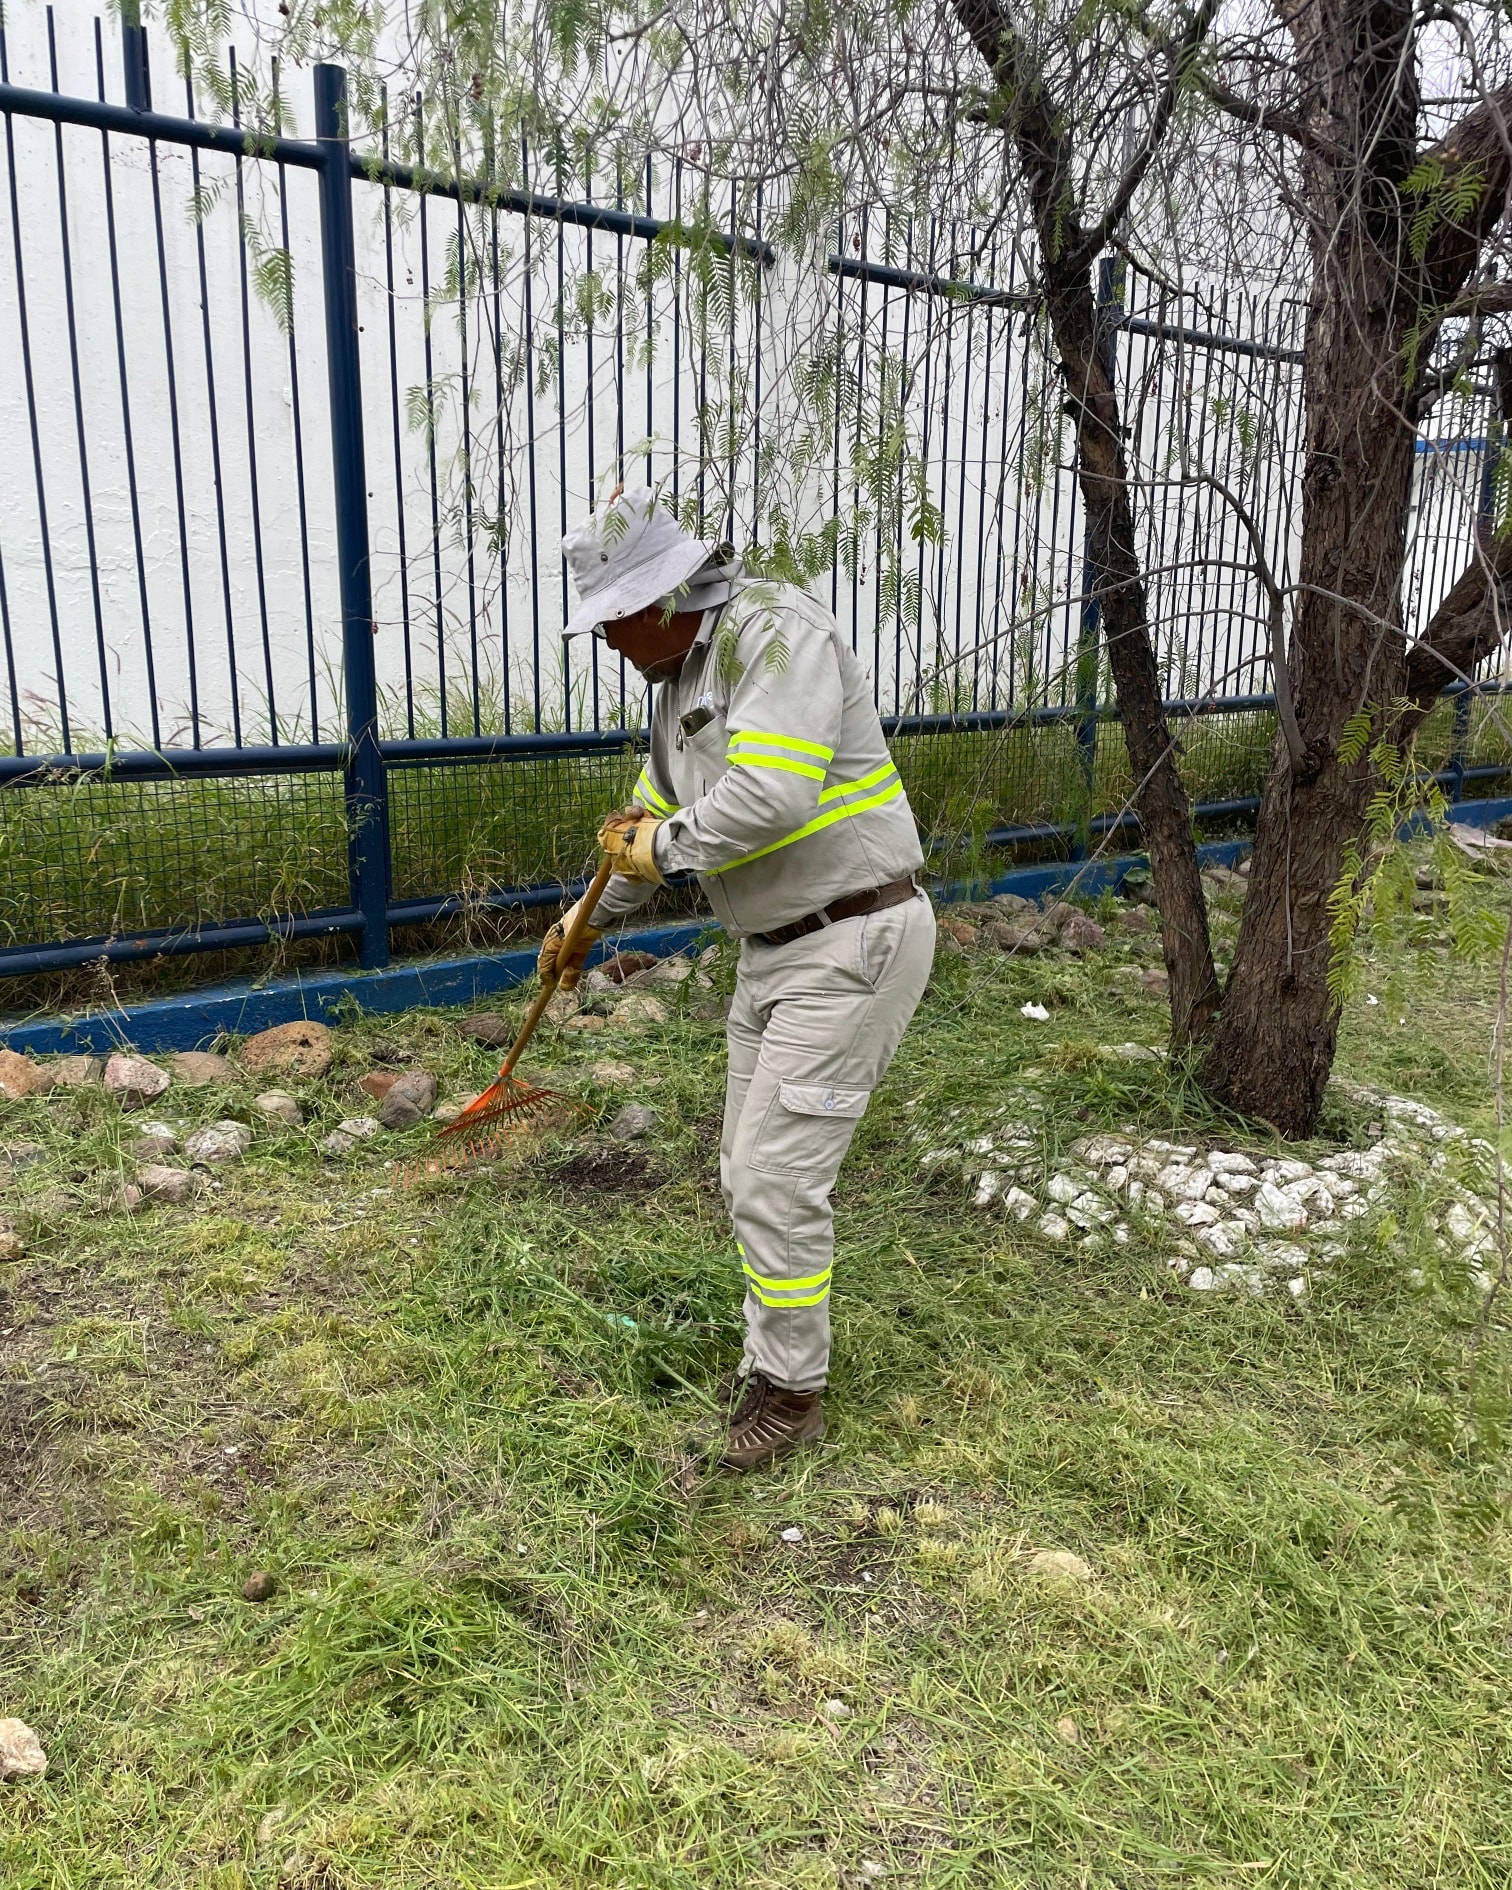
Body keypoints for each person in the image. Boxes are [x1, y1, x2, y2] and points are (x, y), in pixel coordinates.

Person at [538, 487, 935, 1470]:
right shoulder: (678, 683)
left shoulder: (774, 635)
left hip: (853, 939)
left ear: (664, 598)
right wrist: (580, 924)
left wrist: (658, 847)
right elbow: (640, 833)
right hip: (773, 951)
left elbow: (772, 796)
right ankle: (774, 1361)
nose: (606, 640)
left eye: (613, 619)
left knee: (775, 1176)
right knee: (746, 1171)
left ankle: (791, 1394)